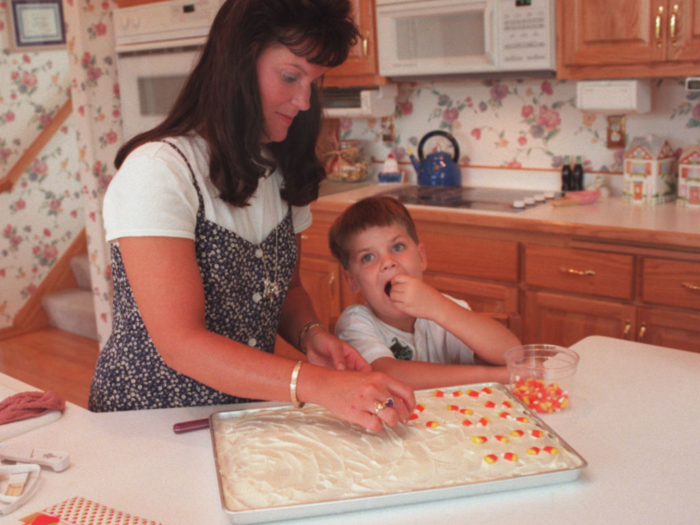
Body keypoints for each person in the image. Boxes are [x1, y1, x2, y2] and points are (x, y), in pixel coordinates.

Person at [88, 0, 414, 432]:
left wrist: (311, 334)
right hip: (149, 421)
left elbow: (288, 291)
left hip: (240, 415)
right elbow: (182, 344)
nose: (303, 99)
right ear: (239, 62)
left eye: (313, 82)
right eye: (290, 76)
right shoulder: (160, 171)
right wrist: (317, 385)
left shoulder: (283, 170)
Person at [329, 196, 522, 390]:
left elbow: (512, 354)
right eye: (368, 257)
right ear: (352, 281)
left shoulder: (444, 308)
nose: (388, 262)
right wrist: (494, 375)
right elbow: (387, 375)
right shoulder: (354, 324)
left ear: (421, 257)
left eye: (397, 247)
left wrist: (438, 308)